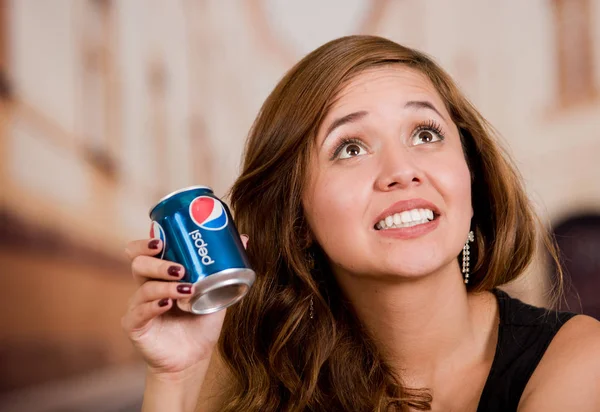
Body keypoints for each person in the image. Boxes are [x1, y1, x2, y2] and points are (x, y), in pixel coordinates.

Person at [122, 36, 600, 411]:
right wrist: (176, 377)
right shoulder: (248, 375)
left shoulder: (579, 359)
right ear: (298, 218)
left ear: (470, 175)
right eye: (351, 148)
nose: (402, 171)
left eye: (425, 134)